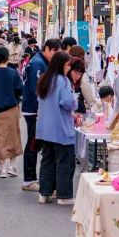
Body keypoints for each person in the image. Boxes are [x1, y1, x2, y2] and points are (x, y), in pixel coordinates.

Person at [35, 51, 78, 205]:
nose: (69, 68)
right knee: (64, 162)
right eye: (67, 65)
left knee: (48, 161)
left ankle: (44, 193)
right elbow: (68, 103)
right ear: (61, 65)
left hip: (45, 129)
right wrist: (75, 100)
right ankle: (64, 195)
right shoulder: (63, 81)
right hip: (61, 128)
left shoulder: (44, 79)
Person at [20, 38, 61, 192]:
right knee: (33, 144)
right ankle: (28, 180)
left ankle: (31, 178)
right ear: (47, 49)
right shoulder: (38, 63)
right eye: (55, 52)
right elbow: (35, 89)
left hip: (38, 109)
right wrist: (42, 110)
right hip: (34, 110)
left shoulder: (42, 61)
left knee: (36, 144)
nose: (56, 55)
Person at [0, 46, 23, 178]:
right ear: (8, 58)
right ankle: (12, 167)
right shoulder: (13, 73)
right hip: (11, 108)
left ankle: (2, 168)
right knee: (13, 136)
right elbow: (20, 89)